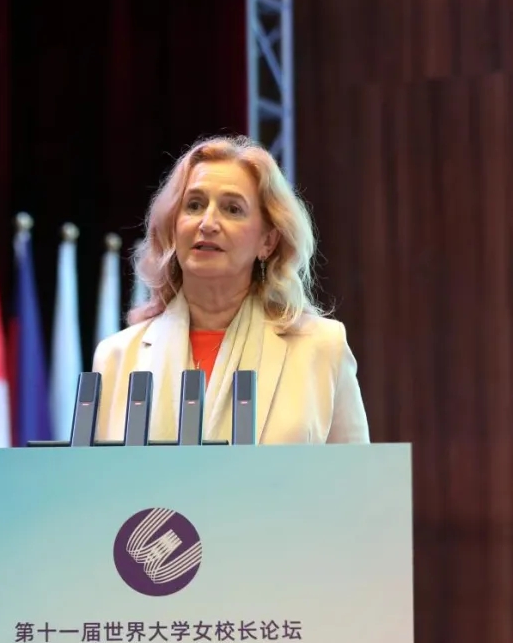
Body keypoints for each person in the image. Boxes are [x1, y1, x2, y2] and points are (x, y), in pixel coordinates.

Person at [92, 135, 370, 444]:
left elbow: (357, 474)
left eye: (232, 209)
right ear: (173, 228)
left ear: (268, 241)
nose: (207, 223)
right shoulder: (116, 356)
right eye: (194, 205)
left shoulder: (323, 347)